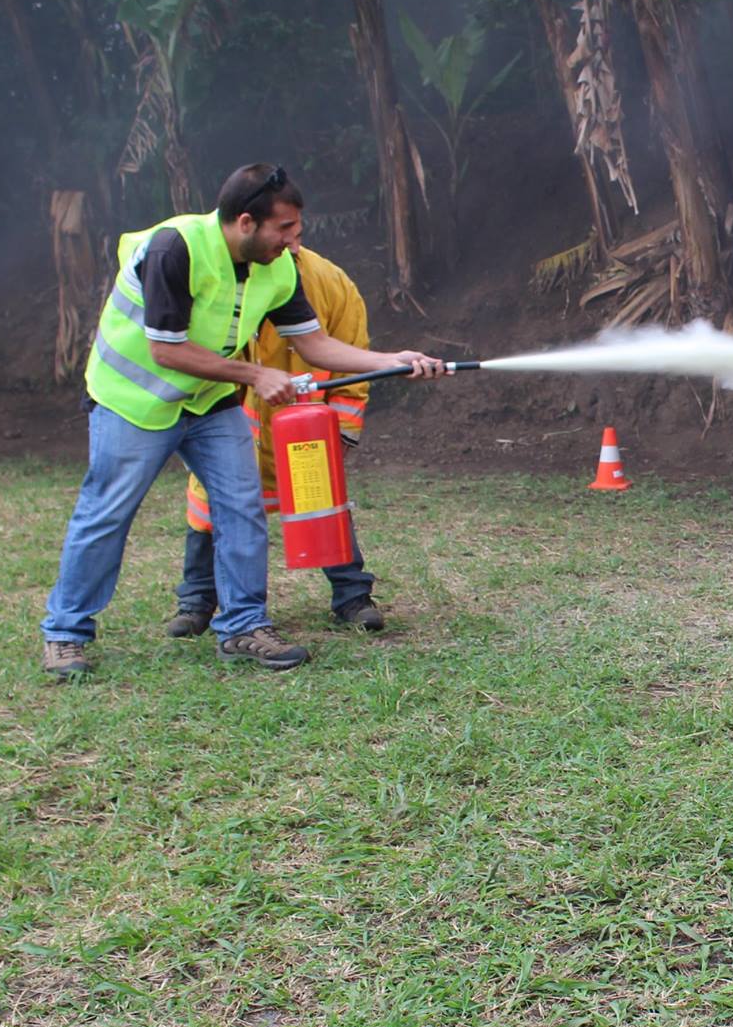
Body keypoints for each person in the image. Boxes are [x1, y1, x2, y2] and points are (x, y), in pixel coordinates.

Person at [40, 163, 447, 680]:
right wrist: (255, 374)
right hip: (133, 403)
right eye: (286, 230)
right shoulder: (175, 249)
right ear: (247, 222)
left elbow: (315, 344)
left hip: (208, 402)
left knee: (241, 507)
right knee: (106, 515)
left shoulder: (279, 268)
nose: (295, 242)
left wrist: (394, 360)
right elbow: (167, 351)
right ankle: (65, 634)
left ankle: (243, 626)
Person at [172, 240, 386, 635]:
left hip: (307, 428)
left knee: (323, 504)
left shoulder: (331, 282)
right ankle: (197, 600)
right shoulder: (224, 279)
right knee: (209, 507)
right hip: (231, 422)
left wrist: (341, 432)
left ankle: (353, 596)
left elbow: (352, 358)